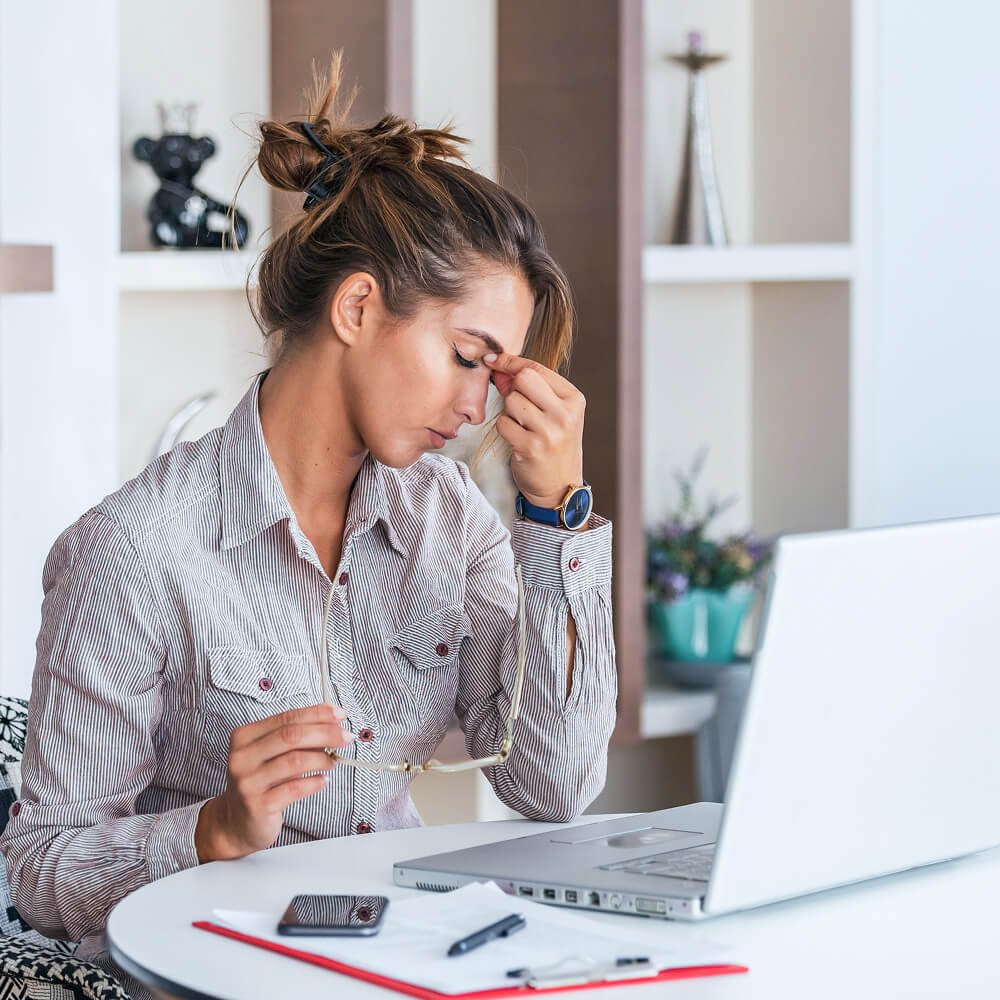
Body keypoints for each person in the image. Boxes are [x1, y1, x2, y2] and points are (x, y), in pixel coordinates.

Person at [0, 53, 616, 990]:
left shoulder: (450, 519)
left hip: (403, 962)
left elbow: (554, 787)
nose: (481, 408)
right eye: (464, 356)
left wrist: (556, 517)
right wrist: (208, 830)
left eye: (496, 375)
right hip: (208, 974)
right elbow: (42, 868)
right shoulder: (137, 548)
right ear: (360, 305)